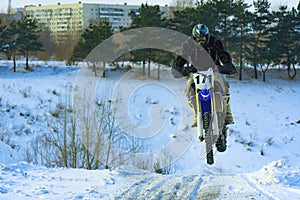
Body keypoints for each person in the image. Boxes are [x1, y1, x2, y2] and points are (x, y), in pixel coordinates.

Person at [172, 23, 236, 130]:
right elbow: (180, 60)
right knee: (188, 90)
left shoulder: (215, 42)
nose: (200, 40)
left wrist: (226, 65)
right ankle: (197, 114)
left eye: (202, 38)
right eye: (198, 38)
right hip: (196, 72)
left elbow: (224, 56)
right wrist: (182, 69)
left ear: (207, 36)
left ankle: (228, 112)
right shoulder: (189, 44)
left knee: (224, 83)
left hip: (214, 70)